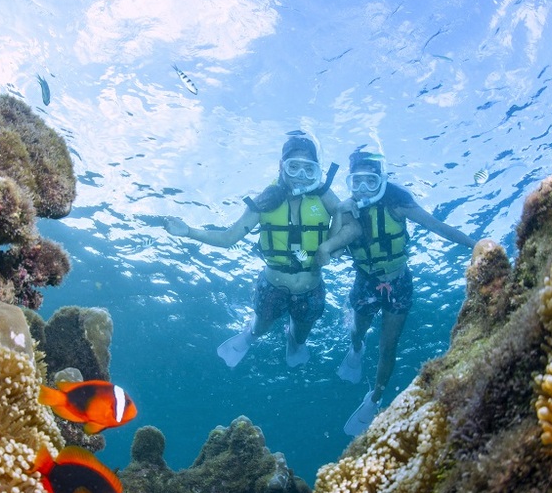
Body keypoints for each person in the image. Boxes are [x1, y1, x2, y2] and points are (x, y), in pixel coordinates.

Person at [164, 131, 357, 368]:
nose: (301, 176)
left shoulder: (323, 195)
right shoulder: (267, 199)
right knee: (260, 328)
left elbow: (350, 224)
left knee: (300, 336)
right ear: (281, 167)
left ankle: (294, 342)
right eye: (293, 167)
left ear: (317, 171)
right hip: (272, 286)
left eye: (308, 169)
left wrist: (330, 244)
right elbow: (228, 238)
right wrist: (188, 231)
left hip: (311, 289)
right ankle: (249, 335)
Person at [336, 147, 477, 436]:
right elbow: (334, 249)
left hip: (399, 282)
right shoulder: (347, 209)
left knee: (388, 346)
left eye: (371, 181)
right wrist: (339, 213)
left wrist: (475, 245)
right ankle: (356, 349)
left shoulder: (397, 202)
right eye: (356, 182)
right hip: (365, 281)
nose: (363, 189)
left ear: (382, 180)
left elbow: (438, 227)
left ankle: (374, 398)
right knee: (358, 331)